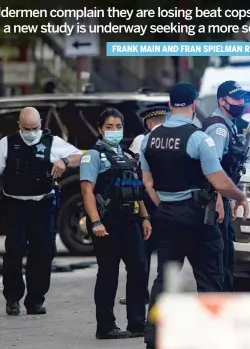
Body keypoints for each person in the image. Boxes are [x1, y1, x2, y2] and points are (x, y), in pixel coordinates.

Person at [140, 82, 250, 349]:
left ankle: (154, 338)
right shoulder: (199, 138)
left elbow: (148, 184)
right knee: (210, 279)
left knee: (164, 281)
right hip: (198, 218)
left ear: (169, 105)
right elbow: (219, 182)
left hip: (166, 217)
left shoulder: (149, 139)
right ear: (194, 103)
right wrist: (240, 196)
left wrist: (165, 204)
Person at [0, 107, 82, 316]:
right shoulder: (7, 144)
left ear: (41, 125)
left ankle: (35, 300)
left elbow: (79, 156)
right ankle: (13, 299)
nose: (30, 132)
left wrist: (63, 162)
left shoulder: (52, 142)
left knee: (43, 254)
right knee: (14, 252)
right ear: (19, 126)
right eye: (26, 128)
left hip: (42, 206)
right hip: (14, 207)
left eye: (34, 128)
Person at [80, 108, 152, 340]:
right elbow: (87, 191)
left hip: (130, 221)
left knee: (139, 270)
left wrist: (145, 216)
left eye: (118, 127)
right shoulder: (93, 156)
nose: (114, 131)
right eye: (109, 127)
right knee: (108, 273)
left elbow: (136, 190)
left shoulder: (128, 156)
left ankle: (137, 323)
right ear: (100, 129)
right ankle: (106, 326)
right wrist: (96, 222)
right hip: (107, 222)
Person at [202, 80, 250, 292]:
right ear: (222, 101)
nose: (241, 102)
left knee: (226, 254)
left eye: (242, 98)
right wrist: (220, 199)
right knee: (220, 258)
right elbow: (212, 168)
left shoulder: (228, 125)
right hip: (215, 201)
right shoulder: (218, 129)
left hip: (222, 198)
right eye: (236, 98)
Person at [120, 105, 169, 306]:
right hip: (169, 199)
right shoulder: (176, 138)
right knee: (167, 249)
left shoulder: (141, 140)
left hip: (146, 200)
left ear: (148, 124)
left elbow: (130, 169)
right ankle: (164, 292)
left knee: (143, 251)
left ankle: (139, 293)